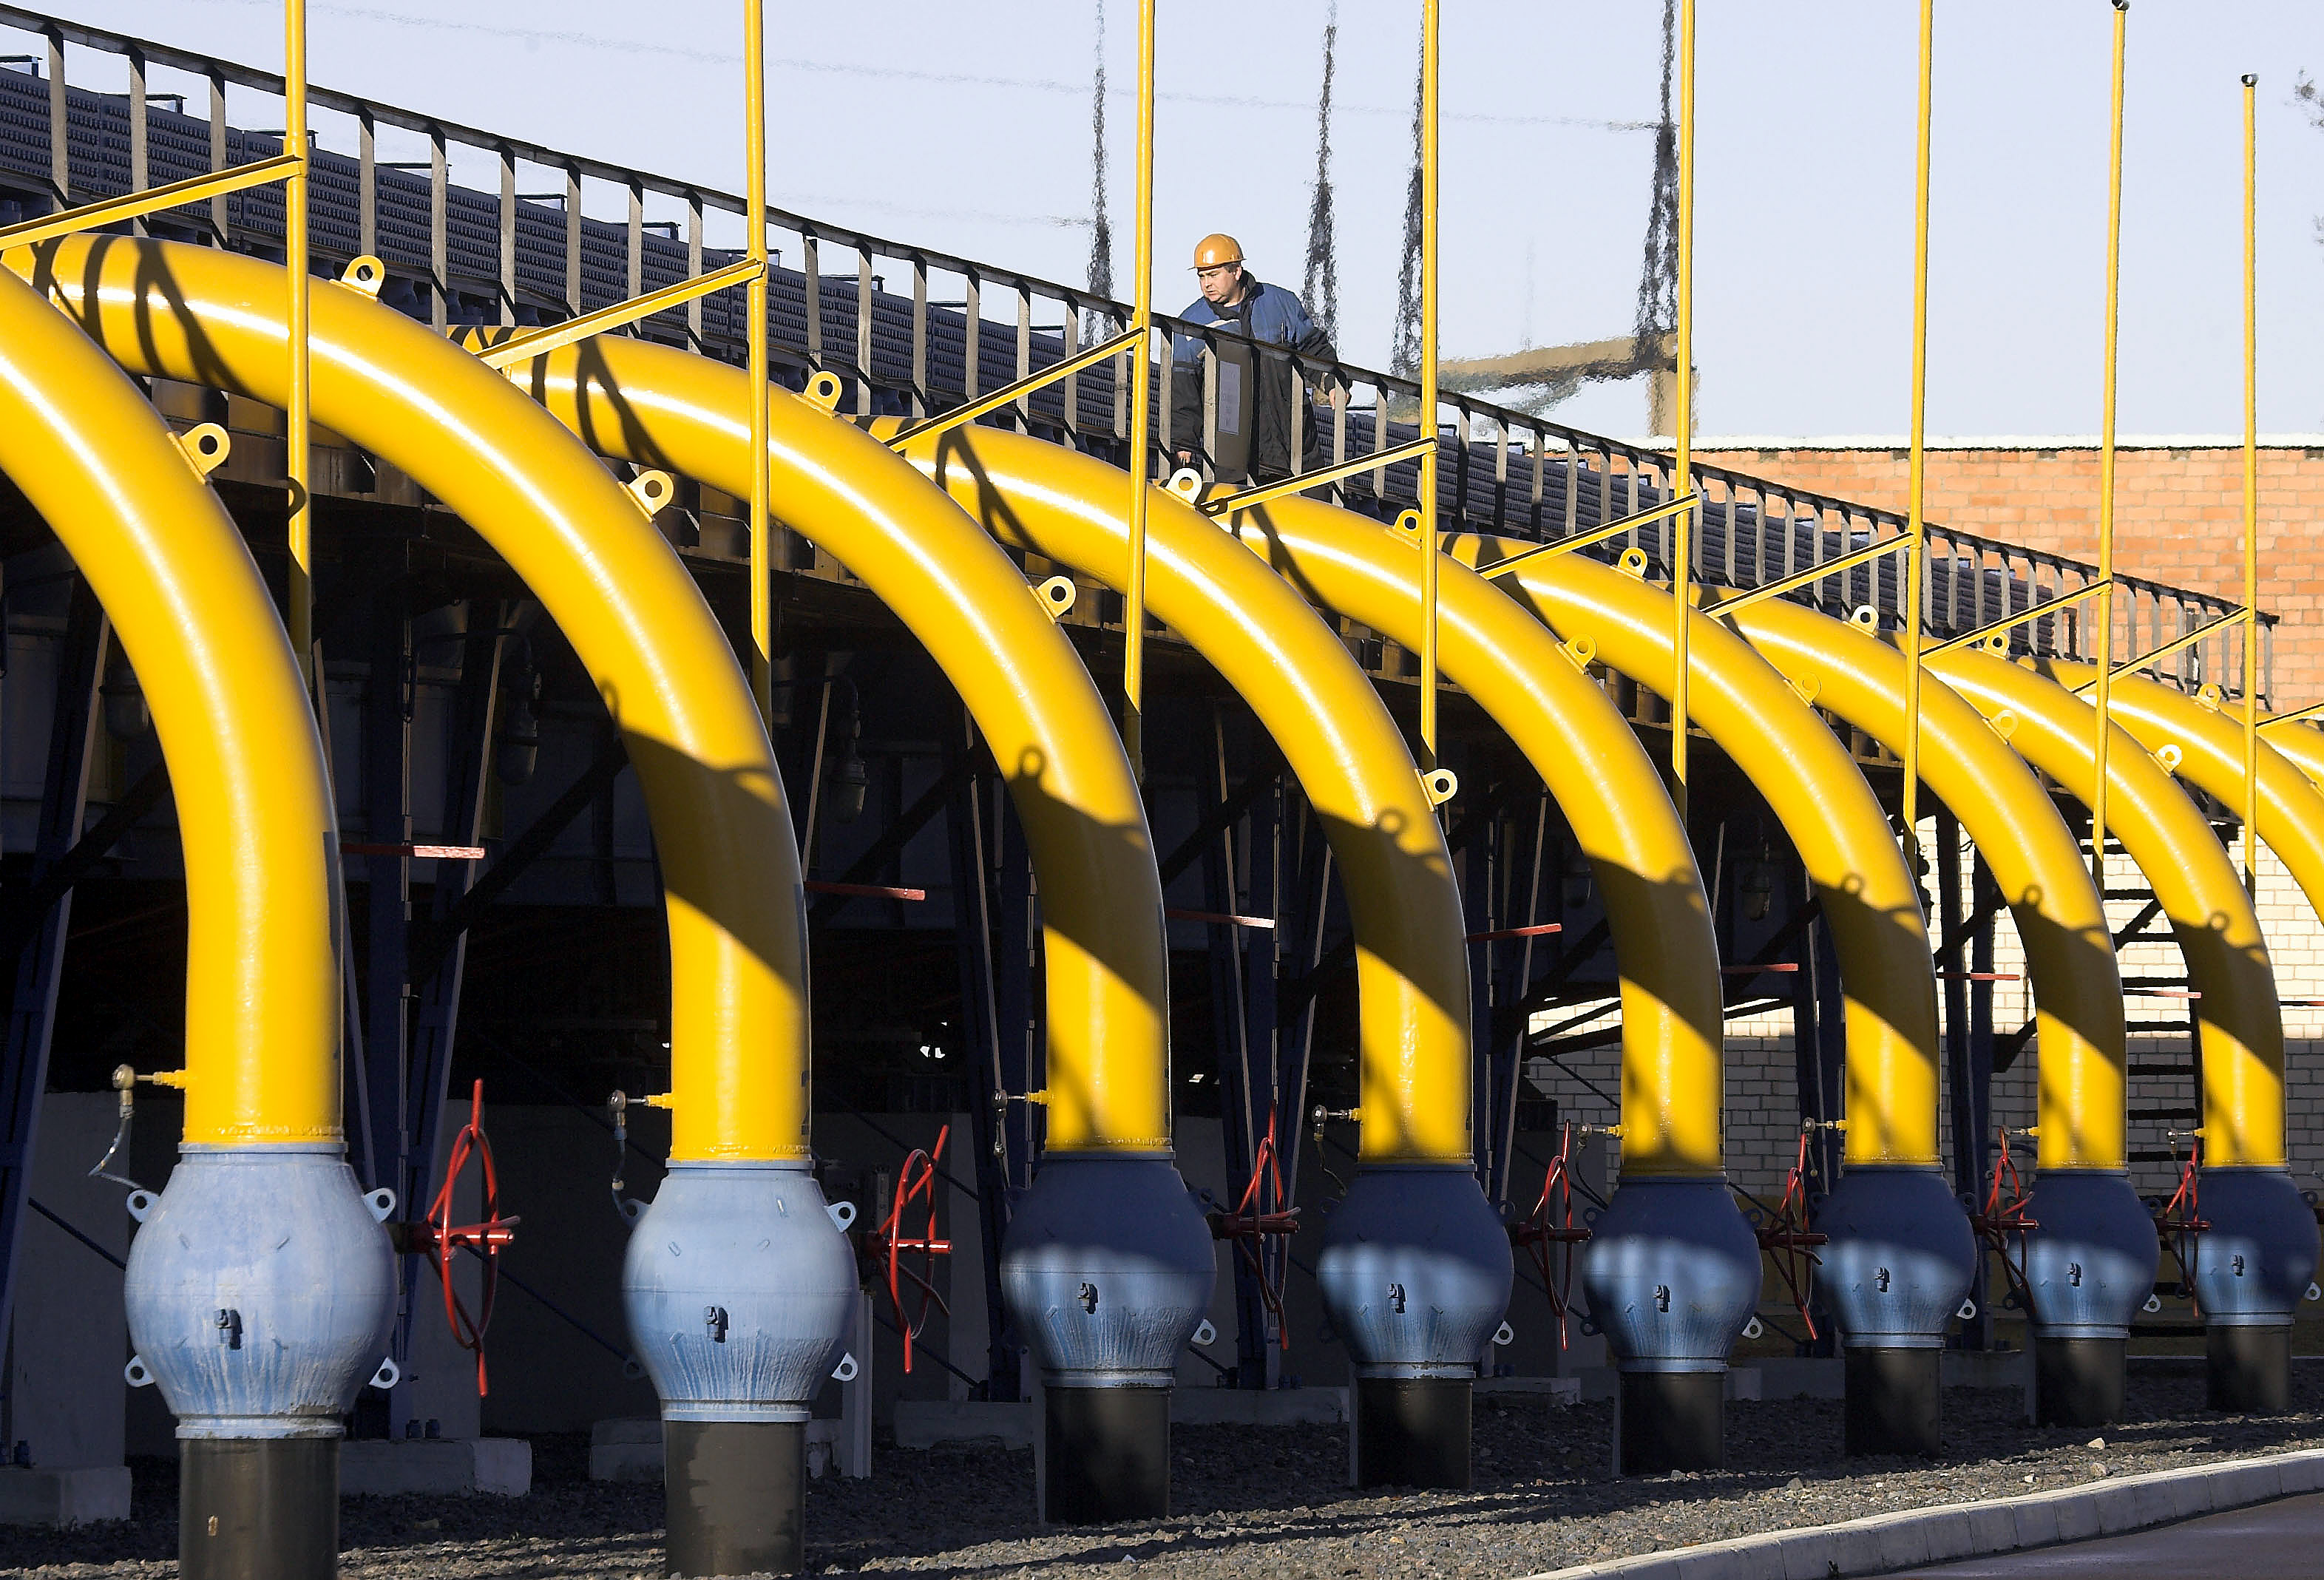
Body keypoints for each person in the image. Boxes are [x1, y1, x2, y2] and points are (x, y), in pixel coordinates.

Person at [1169, 234, 1344, 486]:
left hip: (1293, 447)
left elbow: (1313, 348)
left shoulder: (1281, 305)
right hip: (1229, 456)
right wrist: (1183, 443)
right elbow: (1184, 391)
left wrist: (1332, 381)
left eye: (1214, 275)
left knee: (1311, 515)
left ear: (1236, 271)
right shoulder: (1191, 324)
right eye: (1202, 276)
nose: (1207, 283)